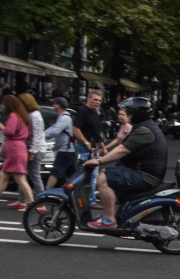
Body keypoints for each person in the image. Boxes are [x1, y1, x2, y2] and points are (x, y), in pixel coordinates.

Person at [82, 97, 168, 229]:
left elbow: (122, 150)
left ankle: (109, 220)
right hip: (145, 173)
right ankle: (115, 215)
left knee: (103, 178)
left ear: (136, 113)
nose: (126, 115)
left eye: (128, 112)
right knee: (109, 174)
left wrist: (99, 161)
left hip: (146, 177)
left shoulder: (144, 130)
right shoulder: (145, 126)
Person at [0, 94, 35, 210]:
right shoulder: (23, 116)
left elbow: (9, 131)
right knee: (3, 176)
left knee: (20, 178)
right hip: (18, 148)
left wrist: (1, 127)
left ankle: (32, 203)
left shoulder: (14, 116)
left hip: (15, 149)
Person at [45, 96, 77, 188]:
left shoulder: (64, 118)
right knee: (72, 174)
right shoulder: (62, 117)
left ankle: (46, 192)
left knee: (55, 172)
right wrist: (42, 135)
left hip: (65, 150)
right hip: (68, 150)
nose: (53, 105)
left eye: (54, 103)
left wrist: (41, 137)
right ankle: (76, 192)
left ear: (58, 105)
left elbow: (55, 131)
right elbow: (53, 128)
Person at [19, 93, 46, 195]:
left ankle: (42, 199)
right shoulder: (32, 114)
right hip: (33, 148)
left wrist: (32, 151)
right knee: (23, 174)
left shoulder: (34, 115)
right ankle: (21, 199)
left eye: (21, 102)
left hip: (36, 149)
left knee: (34, 175)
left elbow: (37, 135)